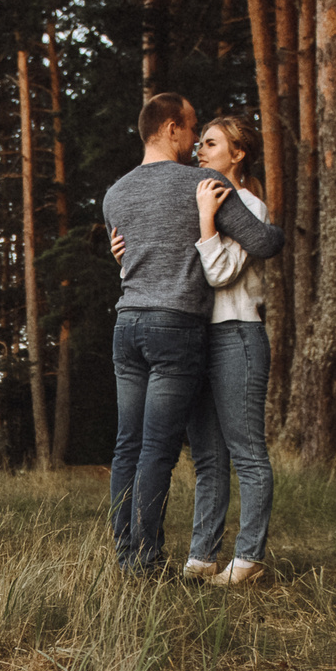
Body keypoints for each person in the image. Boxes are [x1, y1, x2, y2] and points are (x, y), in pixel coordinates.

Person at [101, 92, 282, 577]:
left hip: (126, 324)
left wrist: (125, 259)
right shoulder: (202, 182)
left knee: (127, 445)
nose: (196, 143)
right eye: (192, 129)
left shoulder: (114, 193)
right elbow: (266, 240)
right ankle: (146, 560)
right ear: (172, 129)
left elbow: (139, 252)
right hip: (175, 326)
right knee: (159, 447)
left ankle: (125, 555)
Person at [183, 115, 277, 585]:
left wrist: (205, 221)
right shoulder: (208, 200)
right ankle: (202, 559)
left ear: (237, 154)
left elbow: (220, 274)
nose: (200, 150)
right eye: (198, 143)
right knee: (208, 458)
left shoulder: (250, 206)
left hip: (238, 335)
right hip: (202, 337)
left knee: (246, 454)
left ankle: (248, 560)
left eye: (212, 143)